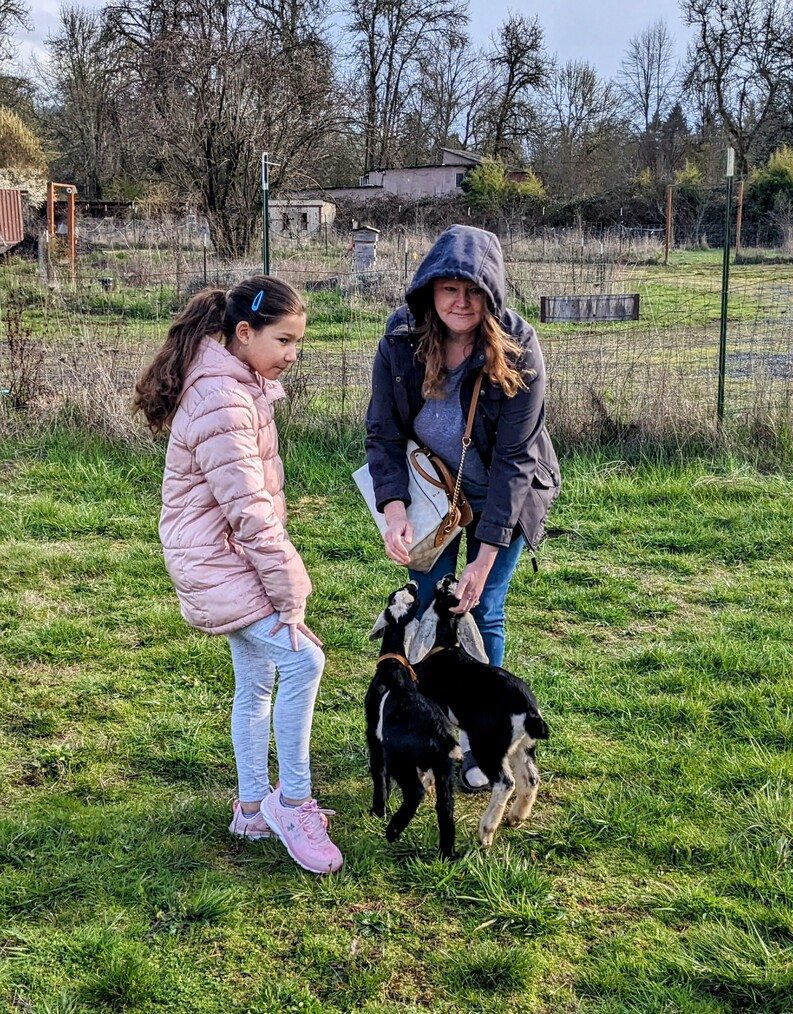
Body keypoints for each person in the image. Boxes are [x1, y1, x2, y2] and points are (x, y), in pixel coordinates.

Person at [133, 276, 342, 875]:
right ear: (243, 334)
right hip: (218, 560)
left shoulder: (236, 384)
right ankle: (292, 803)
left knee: (255, 679)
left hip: (222, 556)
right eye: (285, 340)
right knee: (304, 660)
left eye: (297, 342)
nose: (292, 355)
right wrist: (292, 592)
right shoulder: (224, 398)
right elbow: (248, 510)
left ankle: (252, 808)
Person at [365, 224, 561, 791]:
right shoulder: (401, 338)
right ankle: (430, 730)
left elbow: (517, 460)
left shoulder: (519, 348)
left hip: (504, 492)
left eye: (474, 291)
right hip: (432, 494)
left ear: (492, 295)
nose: (460, 302)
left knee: (483, 607)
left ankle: (484, 738)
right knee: (428, 606)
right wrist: (394, 508)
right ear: (428, 289)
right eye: (449, 288)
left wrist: (483, 557)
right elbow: (382, 432)